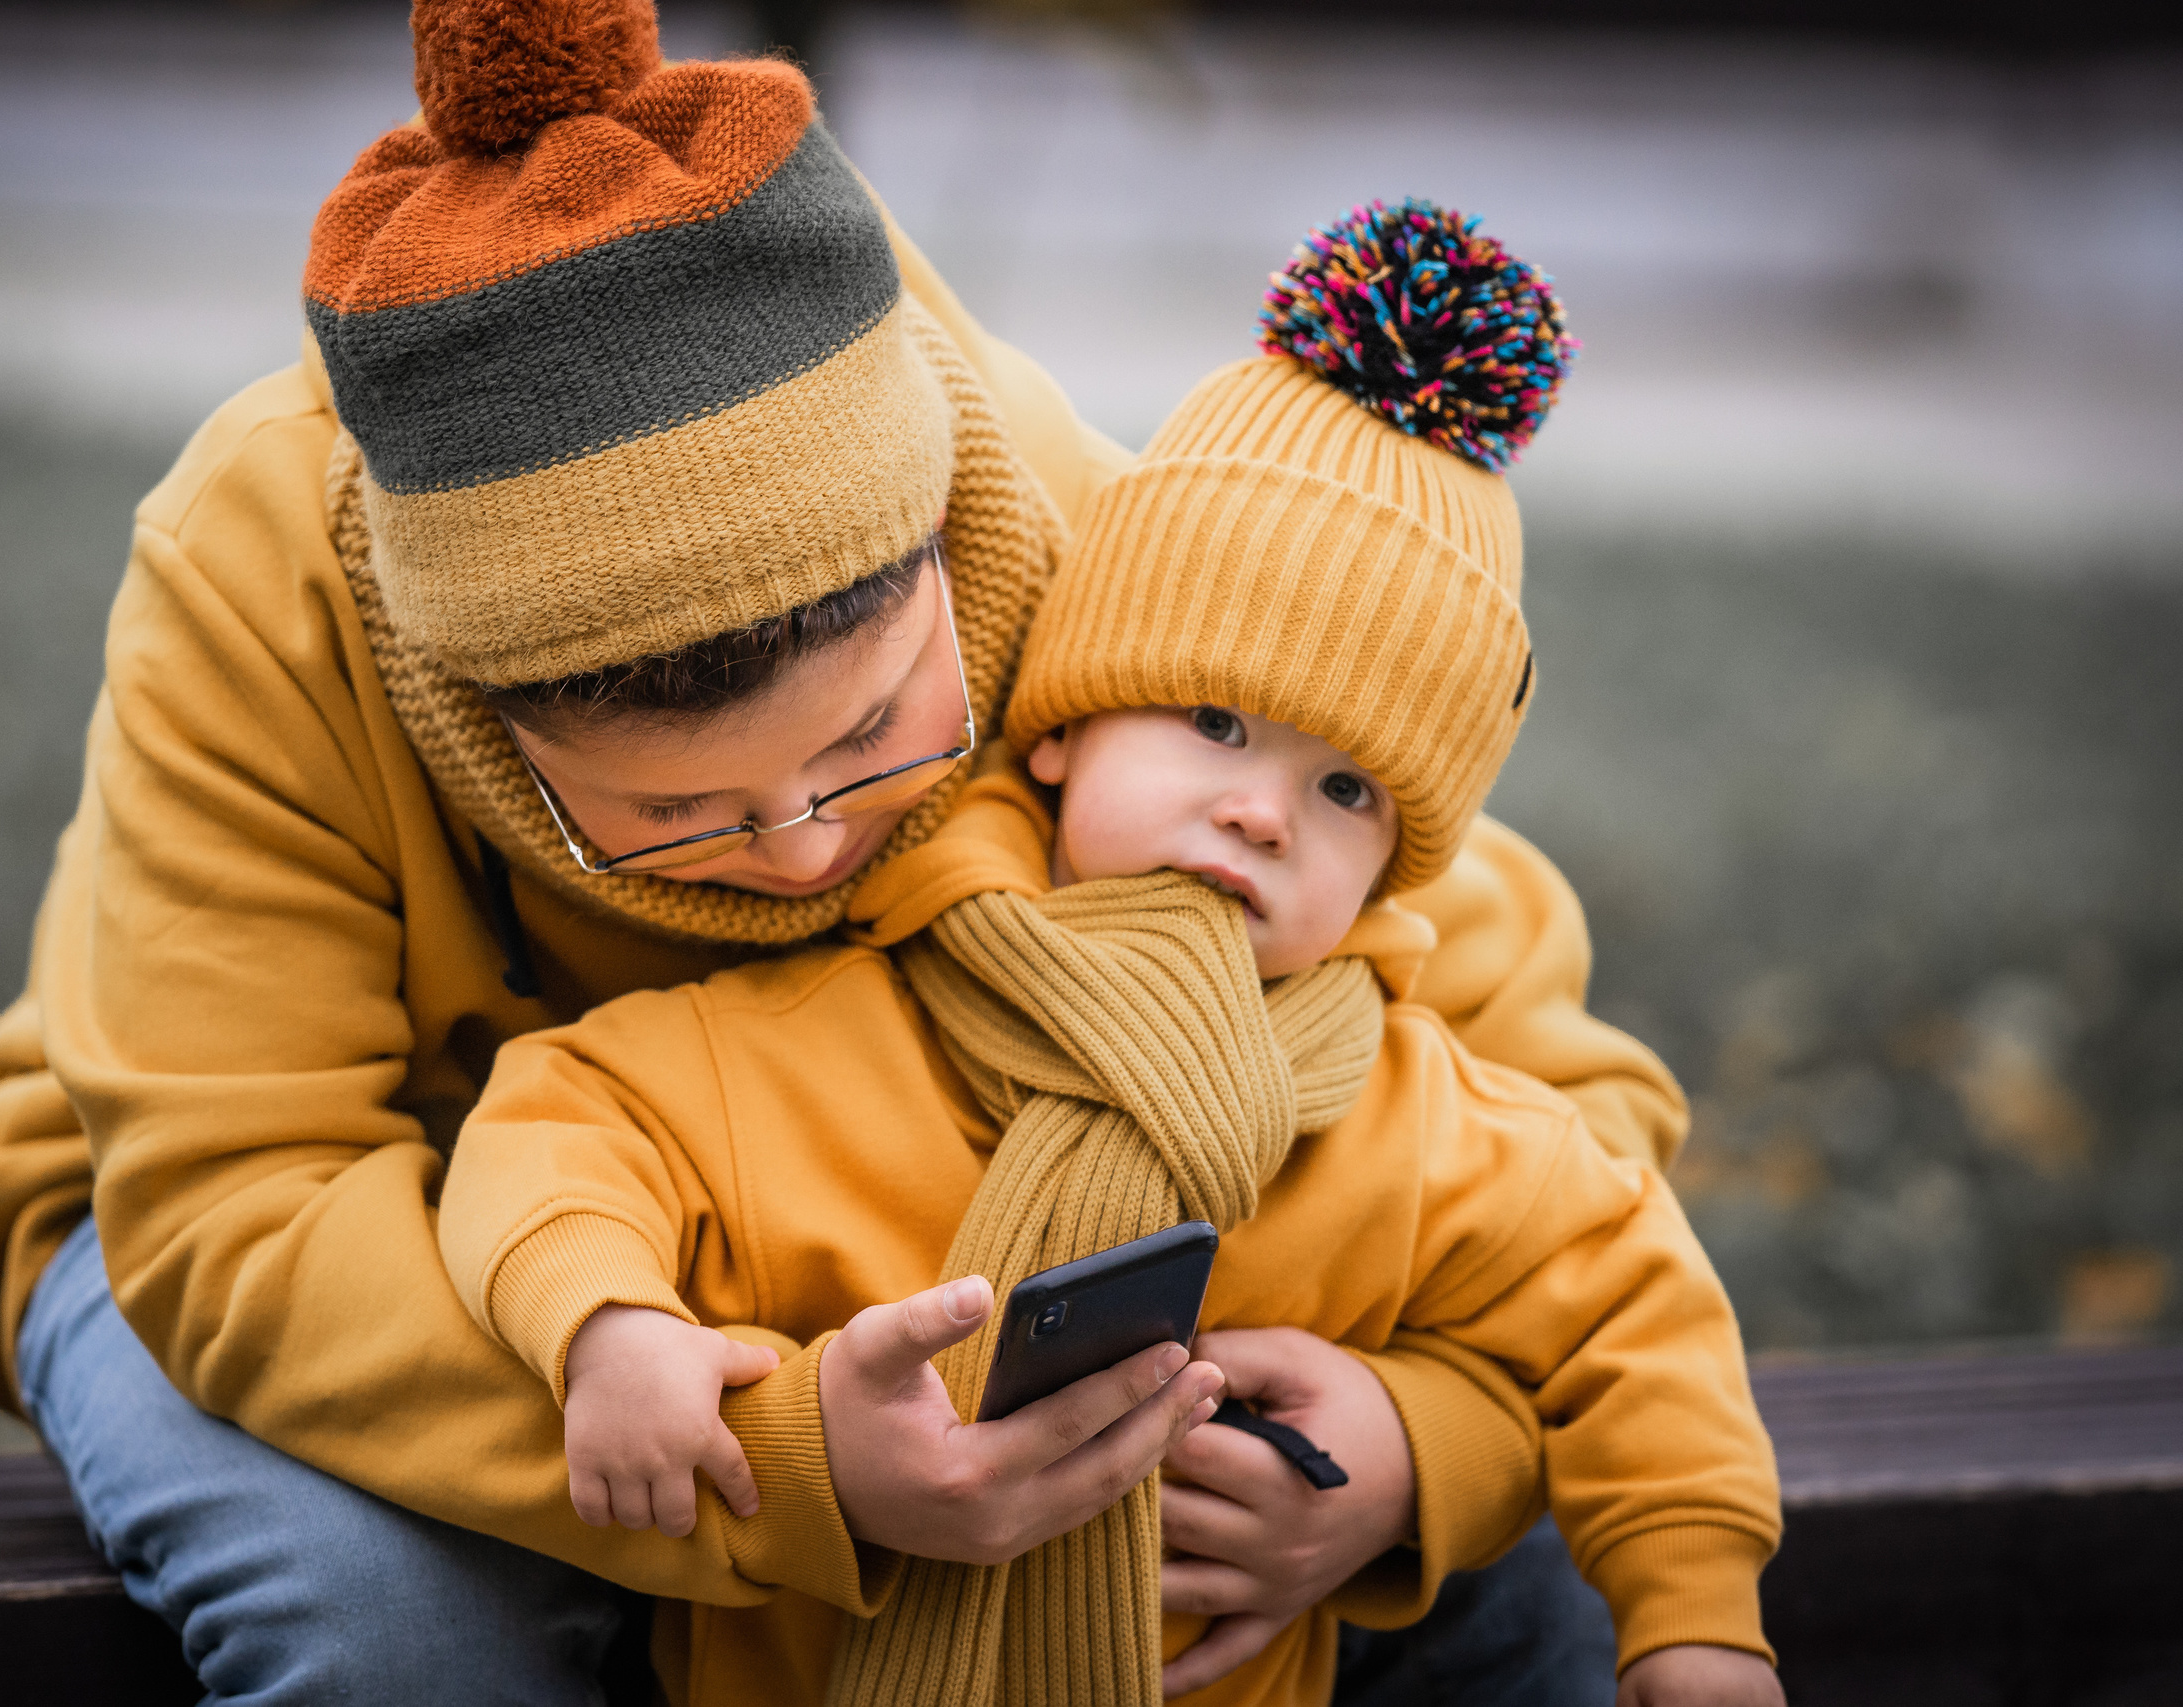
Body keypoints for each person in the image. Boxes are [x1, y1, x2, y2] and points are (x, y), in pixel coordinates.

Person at [0, 4, 1690, 1701]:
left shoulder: (1080, 539)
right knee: (395, 1634)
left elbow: (1539, 1079)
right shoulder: (259, 581)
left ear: (946, 558)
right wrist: (777, 1463)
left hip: (833, 1265)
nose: (808, 850)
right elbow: (237, 1199)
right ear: (473, 707)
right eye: (670, 810)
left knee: (1511, 1568)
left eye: (877, 733)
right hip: (286, 1247)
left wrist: (1423, 1444)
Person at [437, 200, 1783, 1707]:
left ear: (1389, 875)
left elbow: (1634, 1307)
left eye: (1348, 791)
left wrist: (1695, 1618)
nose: (1264, 811)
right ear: (1063, 730)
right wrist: (608, 1326)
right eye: (1214, 722)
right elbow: (559, 1126)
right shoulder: (830, 1031)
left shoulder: (1417, 1123)